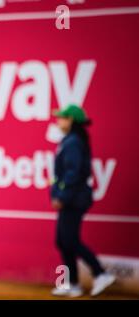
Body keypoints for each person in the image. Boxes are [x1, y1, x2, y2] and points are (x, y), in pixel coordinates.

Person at [50, 104, 115, 297]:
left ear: (70, 120)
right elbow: (68, 173)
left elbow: (73, 173)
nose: (58, 120)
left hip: (74, 199)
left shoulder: (73, 143)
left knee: (70, 240)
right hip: (73, 197)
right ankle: (72, 284)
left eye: (61, 117)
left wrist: (61, 196)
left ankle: (100, 273)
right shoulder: (71, 141)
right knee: (62, 241)